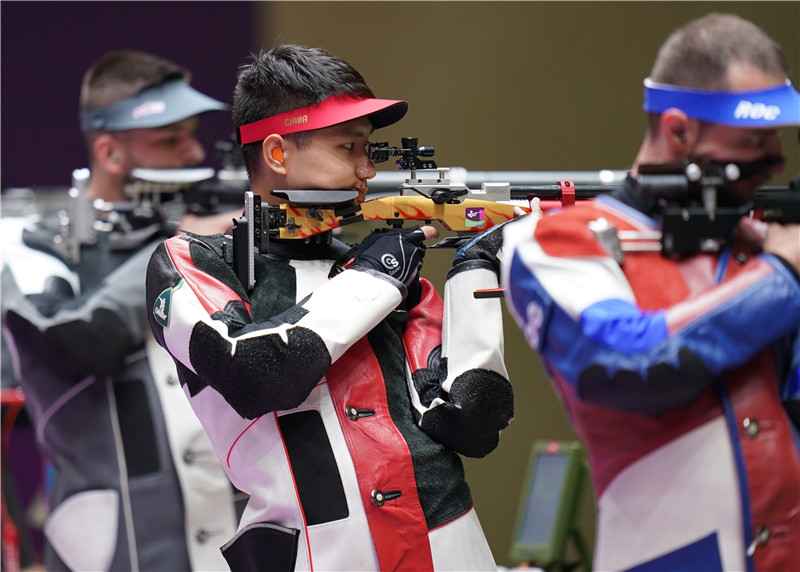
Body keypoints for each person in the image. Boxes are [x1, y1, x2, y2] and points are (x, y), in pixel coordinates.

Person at [144, 44, 514, 571]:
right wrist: (375, 276)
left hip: (451, 548)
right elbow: (258, 374)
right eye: (348, 146)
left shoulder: (392, 278)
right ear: (277, 153)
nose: (367, 168)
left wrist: (474, 271)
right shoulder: (192, 261)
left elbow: (471, 424)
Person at [502, 13, 800, 571]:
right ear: (681, 130)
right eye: (754, 140)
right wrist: (782, 274)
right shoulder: (553, 237)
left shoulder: (757, 241)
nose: (772, 161)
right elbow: (626, 361)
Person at [1, 50, 244, 571]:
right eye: (169, 139)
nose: (193, 152)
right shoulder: (28, 243)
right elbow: (78, 342)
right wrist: (180, 246)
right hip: (115, 543)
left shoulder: (208, 233)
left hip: (234, 527)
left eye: (191, 134)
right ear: (109, 154)